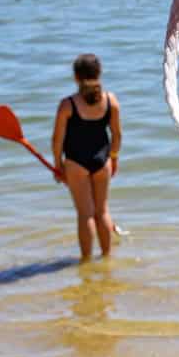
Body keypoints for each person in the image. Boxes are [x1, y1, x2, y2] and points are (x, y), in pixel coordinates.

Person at [52, 54, 122, 260]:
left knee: (85, 214)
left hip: (76, 163)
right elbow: (117, 135)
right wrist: (114, 158)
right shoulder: (111, 101)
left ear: (76, 77)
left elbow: (57, 139)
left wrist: (58, 166)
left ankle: (86, 262)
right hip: (103, 162)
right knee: (102, 211)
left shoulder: (67, 105)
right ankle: (107, 258)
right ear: (99, 74)